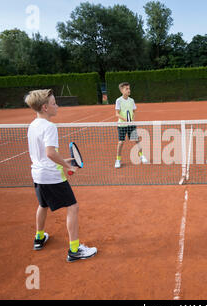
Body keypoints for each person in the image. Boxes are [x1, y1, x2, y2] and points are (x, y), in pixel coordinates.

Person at [25, 89, 97, 262]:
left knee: (43, 205)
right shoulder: (50, 127)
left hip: (38, 174)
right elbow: (50, 153)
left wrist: (64, 159)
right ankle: (74, 250)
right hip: (52, 176)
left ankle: (39, 238)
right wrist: (66, 165)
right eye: (54, 103)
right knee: (73, 207)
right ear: (45, 107)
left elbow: (43, 155)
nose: (57, 106)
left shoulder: (33, 125)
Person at [114, 82, 148, 168]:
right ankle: (118, 160)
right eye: (126, 89)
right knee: (121, 142)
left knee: (136, 140)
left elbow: (134, 111)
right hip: (122, 125)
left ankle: (141, 156)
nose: (129, 90)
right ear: (122, 90)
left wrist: (132, 120)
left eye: (129, 88)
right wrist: (126, 120)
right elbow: (117, 114)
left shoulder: (131, 100)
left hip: (131, 125)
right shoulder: (118, 100)